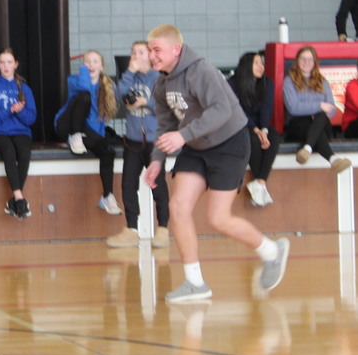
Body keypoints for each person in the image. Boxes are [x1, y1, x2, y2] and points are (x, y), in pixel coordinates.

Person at [143, 24, 289, 302]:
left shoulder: (201, 71)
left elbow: (221, 110)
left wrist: (183, 135)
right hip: (196, 146)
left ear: (176, 49)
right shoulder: (161, 83)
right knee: (178, 206)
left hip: (229, 144)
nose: (152, 56)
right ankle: (194, 282)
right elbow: (165, 124)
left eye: (157, 50)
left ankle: (272, 251)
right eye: (150, 50)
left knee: (218, 218)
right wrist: (157, 161)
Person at [107, 41, 170, 248]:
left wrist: (146, 103)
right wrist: (129, 72)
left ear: (150, 56)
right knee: (128, 185)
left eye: (140, 52)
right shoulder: (129, 78)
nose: (135, 56)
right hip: (133, 140)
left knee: (157, 184)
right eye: (133, 52)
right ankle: (132, 228)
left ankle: (163, 229)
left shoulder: (158, 78)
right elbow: (118, 95)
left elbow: (165, 106)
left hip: (154, 141)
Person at [54, 50, 121, 215]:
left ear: (102, 66)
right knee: (84, 96)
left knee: (108, 149)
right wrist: (84, 70)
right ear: (83, 66)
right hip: (66, 125)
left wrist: (99, 140)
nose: (91, 65)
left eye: (95, 61)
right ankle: (75, 136)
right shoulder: (75, 80)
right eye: (87, 62)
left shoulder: (107, 87)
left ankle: (107, 196)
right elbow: (85, 88)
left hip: (88, 130)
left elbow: (100, 119)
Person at [0, 48, 37, 219]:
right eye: (3, 62)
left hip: (20, 132)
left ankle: (15, 200)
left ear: (15, 65)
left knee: (24, 152)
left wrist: (19, 112)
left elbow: (31, 118)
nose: (6, 66)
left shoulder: (25, 89)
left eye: (9, 62)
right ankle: (19, 198)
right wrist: (9, 110)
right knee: (8, 151)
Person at [282, 46, 353, 173]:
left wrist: (311, 107)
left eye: (310, 59)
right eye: (303, 58)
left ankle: (307, 149)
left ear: (315, 62)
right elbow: (293, 108)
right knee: (315, 119)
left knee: (320, 117)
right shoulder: (289, 81)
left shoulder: (322, 81)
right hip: (298, 126)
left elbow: (331, 109)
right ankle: (333, 159)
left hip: (321, 123)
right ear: (297, 61)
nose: (306, 62)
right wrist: (319, 105)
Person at [228, 51, 283, 207]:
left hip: (260, 124)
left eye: (262, 63)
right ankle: (260, 185)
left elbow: (267, 109)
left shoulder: (267, 83)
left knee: (274, 137)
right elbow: (237, 110)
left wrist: (264, 130)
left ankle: (260, 182)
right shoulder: (232, 83)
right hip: (239, 124)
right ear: (247, 66)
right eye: (257, 63)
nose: (261, 66)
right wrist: (254, 129)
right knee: (251, 140)